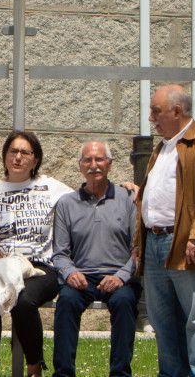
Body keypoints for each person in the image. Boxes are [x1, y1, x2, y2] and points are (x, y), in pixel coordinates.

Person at [132, 85, 195, 377]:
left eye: (156, 111)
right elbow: (150, 199)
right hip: (154, 242)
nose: (151, 118)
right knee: (163, 322)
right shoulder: (162, 147)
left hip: (185, 242)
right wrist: (139, 241)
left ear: (177, 111)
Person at [0, 130, 73, 377]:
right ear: (4, 157)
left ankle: (34, 365)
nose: (18, 158)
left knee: (23, 299)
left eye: (25, 153)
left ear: (35, 160)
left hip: (40, 267)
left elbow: (85, 196)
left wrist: (126, 189)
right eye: (13, 151)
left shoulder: (51, 187)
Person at [51, 141, 141, 377]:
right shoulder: (66, 204)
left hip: (119, 277)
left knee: (123, 303)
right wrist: (70, 272)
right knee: (66, 302)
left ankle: (120, 373)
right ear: (80, 166)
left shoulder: (128, 199)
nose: (94, 165)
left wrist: (121, 276)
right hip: (81, 278)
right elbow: (60, 253)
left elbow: (139, 248)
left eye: (99, 159)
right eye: (88, 161)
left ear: (110, 164)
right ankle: (63, 373)